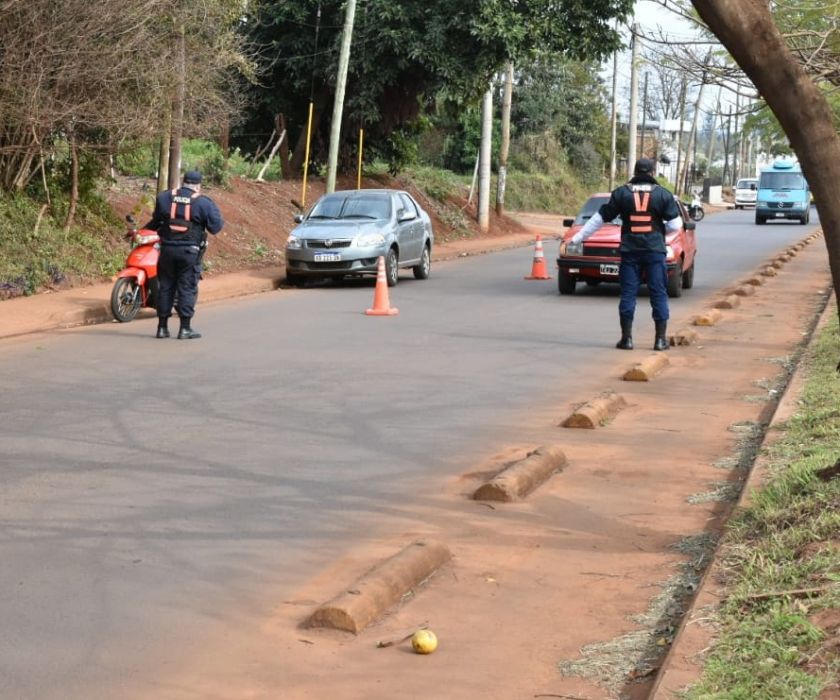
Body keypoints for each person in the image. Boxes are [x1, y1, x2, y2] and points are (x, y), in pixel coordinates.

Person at [561, 158, 682, 351]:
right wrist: (658, 232)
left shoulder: (621, 194)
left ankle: (627, 339)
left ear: (634, 173)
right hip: (654, 253)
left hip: (630, 253)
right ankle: (660, 340)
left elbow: (598, 219)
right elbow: (676, 225)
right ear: (652, 173)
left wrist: (577, 238)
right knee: (658, 294)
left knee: (628, 295)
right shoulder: (663, 195)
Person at [144, 170, 223, 339]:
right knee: (186, 287)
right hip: (189, 253)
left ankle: (162, 328)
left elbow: (155, 222)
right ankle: (185, 328)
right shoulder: (203, 202)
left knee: (165, 287)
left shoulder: (164, 198)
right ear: (198, 185)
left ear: (183, 182)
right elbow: (216, 227)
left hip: (166, 251)